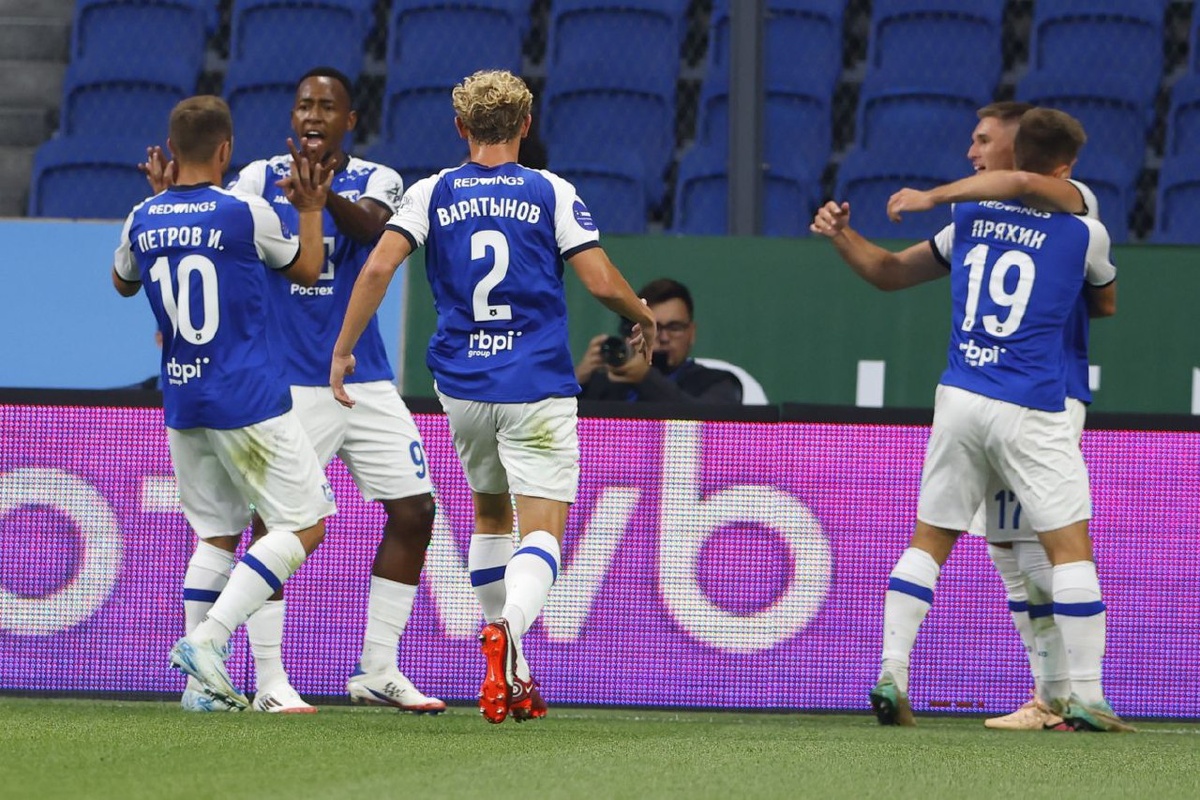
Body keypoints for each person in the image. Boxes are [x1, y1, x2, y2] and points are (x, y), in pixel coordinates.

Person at [328, 69, 656, 724]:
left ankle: (515, 668)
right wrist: (640, 312)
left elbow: (379, 266)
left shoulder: (431, 192)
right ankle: (507, 630)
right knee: (542, 532)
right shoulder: (549, 190)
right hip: (534, 382)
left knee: (488, 515)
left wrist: (343, 350)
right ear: (526, 126)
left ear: (461, 128)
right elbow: (597, 280)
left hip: (463, 384)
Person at [815, 108, 1132, 732]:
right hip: (1031, 402)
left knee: (966, 543)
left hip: (981, 394)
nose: (971, 153)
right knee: (1040, 549)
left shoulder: (992, 214)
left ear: (1018, 150)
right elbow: (890, 271)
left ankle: (905, 670)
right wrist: (845, 235)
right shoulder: (1076, 232)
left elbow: (1021, 187)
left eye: (983, 141)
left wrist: (930, 197)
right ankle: (1075, 696)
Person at [222, 66, 442, 714]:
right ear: (292, 117)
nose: (313, 115)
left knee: (416, 511)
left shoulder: (378, 178)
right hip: (289, 382)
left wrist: (319, 201)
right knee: (278, 523)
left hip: (364, 377)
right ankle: (269, 682)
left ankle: (378, 668)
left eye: (326, 106)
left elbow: (372, 230)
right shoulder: (255, 179)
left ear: (350, 121)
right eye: (303, 105)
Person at [112, 95, 336, 711]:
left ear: (171, 148)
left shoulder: (142, 216)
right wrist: (311, 208)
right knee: (305, 524)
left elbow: (123, 282)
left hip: (184, 397)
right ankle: (208, 639)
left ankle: (199, 690)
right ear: (226, 150)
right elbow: (306, 269)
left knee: (215, 535)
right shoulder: (244, 210)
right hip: (247, 396)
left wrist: (163, 210)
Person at [575, 278, 743, 404]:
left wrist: (645, 378)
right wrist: (577, 381)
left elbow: (704, 423)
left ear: (692, 333)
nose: (663, 338)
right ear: (633, 332)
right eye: (653, 328)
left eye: (674, 327)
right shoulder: (603, 383)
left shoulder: (718, 383)